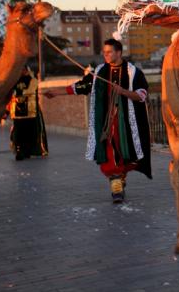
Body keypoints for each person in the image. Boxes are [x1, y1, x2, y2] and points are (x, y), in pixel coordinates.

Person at [45, 38, 152, 203]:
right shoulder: (99, 72)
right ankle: (116, 187)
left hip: (127, 126)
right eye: (104, 52)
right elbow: (80, 86)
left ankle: (119, 179)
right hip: (105, 124)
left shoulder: (133, 72)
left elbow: (142, 95)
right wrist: (56, 92)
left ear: (119, 52)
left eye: (109, 52)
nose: (106, 55)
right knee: (110, 155)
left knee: (126, 156)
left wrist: (123, 91)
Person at [9, 66, 49, 160]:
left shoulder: (33, 80)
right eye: (20, 69)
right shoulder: (15, 80)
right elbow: (11, 91)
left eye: (23, 70)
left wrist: (18, 92)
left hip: (29, 112)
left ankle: (27, 151)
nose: (22, 71)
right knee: (18, 132)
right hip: (17, 112)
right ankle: (19, 151)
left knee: (28, 132)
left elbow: (30, 91)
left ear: (27, 70)